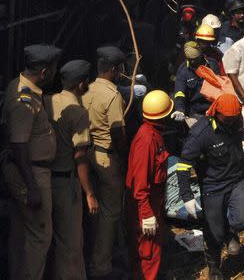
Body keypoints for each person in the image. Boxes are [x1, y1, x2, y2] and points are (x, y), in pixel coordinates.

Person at [177, 94, 244, 280]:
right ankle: (214, 268)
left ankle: (231, 232)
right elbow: (183, 165)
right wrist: (187, 196)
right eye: (226, 118)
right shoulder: (201, 133)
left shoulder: (236, 119)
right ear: (215, 113)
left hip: (236, 180)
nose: (230, 122)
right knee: (214, 234)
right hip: (213, 187)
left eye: (234, 118)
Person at [3, 44, 61, 280]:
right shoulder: (24, 100)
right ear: (44, 72)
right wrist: (32, 186)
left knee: (21, 234)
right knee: (40, 235)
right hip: (32, 172)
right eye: (54, 69)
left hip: (27, 170)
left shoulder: (23, 89)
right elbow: (19, 145)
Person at [44, 59, 99, 280]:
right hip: (66, 184)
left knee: (49, 241)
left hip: (45, 179)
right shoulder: (78, 112)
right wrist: (89, 193)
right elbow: (80, 156)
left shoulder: (47, 101)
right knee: (71, 245)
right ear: (81, 85)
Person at [82, 46, 127, 278]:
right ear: (115, 69)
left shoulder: (85, 89)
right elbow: (117, 132)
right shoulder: (113, 95)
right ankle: (101, 266)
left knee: (93, 211)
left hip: (86, 155)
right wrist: (125, 156)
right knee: (110, 213)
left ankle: (92, 256)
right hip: (106, 157)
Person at [126, 90, 172, 280]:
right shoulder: (147, 140)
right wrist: (146, 214)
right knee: (148, 252)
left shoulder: (152, 133)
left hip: (153, 202)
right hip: (146, 203)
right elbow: (140, 181)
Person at [171, 41, 220, 126]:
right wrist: (180, 109)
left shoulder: (212, 65)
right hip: (195, 112)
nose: (193, 62)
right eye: (190, 59)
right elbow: (179, 92)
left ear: (201, 55)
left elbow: (221, 86)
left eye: (195, 59)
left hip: (213, 108)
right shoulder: (183, 71)